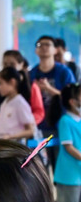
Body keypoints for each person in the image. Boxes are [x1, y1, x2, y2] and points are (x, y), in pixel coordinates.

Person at [29, 35, 76, 170]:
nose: (43, 47)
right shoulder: (32, 73)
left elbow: (71, 97)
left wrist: (49, 89)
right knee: (38, 168)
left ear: (55, 50)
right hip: (38, 127)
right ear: (35, 51)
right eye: (39, 45)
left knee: (59, 165)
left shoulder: (63, 72)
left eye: (47, 44)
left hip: (59, 124)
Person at [49, 83, 81, 202]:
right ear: (72, 101)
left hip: (78, 173)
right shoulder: (65, 120)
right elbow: (68, 147)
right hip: (68, 176)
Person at [0, 50, 44, 126]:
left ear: (21, 64)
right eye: (5, 64)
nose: (8, 67)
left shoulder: (31, 86)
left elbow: (38, 111)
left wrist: (28, 123)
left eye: (12, 64)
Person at [0, 67, 36, 142]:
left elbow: (30, 131)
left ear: (12, 82)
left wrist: (10, 136)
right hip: (5, 144)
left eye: (0, 83)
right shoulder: (5, 102)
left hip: (15, 145)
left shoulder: (20, 103)